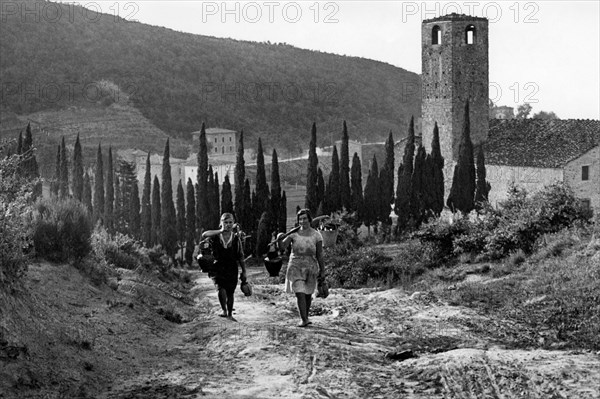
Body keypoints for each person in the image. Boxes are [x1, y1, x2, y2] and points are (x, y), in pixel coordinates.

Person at [276, 209, 325, 327]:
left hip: (311, 267)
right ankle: (303, 319)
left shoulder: (316, 235)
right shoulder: (293, 234)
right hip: (295, 266)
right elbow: (283, 246)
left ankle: (306, 317)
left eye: (304, 218)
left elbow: (319, 254)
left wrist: (322, 270)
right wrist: (279, 238)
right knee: (300, 293)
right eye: (300, 219)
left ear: (310, 219)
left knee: (308, 294)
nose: (302, 221)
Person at [202, 213, 247, 321]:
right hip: (217, 268)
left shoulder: (236, 238)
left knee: (230, 292)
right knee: (220, 288)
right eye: (225, 222)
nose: (228, 224)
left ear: (233, 223)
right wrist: (220, 231)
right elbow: (204, 234)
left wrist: (244, 271)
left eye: (230, 222)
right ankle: (224, 310)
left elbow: (240, 256)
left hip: (231, 268)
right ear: (221, 223)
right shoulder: (216, 236)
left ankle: (230, 314)